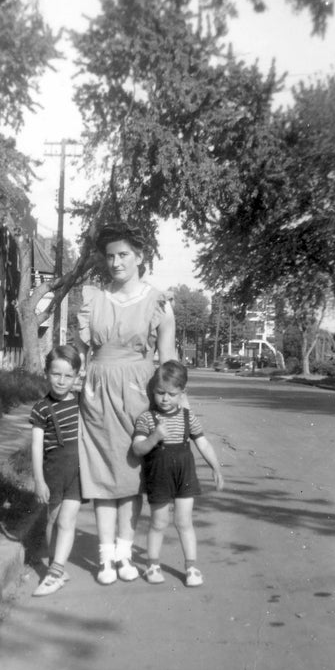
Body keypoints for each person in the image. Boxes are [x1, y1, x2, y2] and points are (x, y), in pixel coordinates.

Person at [78, 223, 176, 585]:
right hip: (97, 392)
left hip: (138, 390)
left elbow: (167, 358)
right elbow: (81, 353)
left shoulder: (158, 302)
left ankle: (124, 554)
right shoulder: (94, 300)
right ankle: (106, 559)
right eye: (110, 256)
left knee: (132, 474)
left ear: (140, 257)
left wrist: (177, 406)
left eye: (124, 255)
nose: (116, 262)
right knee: (102, 473)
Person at [132, 360, 224, 586]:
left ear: (183, 393)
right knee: (159, 522)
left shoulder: (187, 417)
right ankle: (152, 565)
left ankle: (191, 567)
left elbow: (203, 444)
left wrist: (216, 467)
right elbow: (137, 448)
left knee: (184, 522)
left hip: (184, 474)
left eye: (171, 394)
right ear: (152, 391)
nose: (165, 399)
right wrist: (154, 437)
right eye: (160, 393)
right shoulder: (146, 418)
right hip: (159, 474)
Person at [29, 345, 83, 597]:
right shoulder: (41, 408)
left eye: (68, 375)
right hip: (53, 472)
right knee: (52, 520)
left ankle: (55, 572)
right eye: (56, 374)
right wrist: (39, 480)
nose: (62, 381)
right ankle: (56, 566)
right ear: (46, 373)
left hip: (78, 472)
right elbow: (37, 447)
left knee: (67, 520)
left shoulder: (82, 402)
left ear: (76, 377)